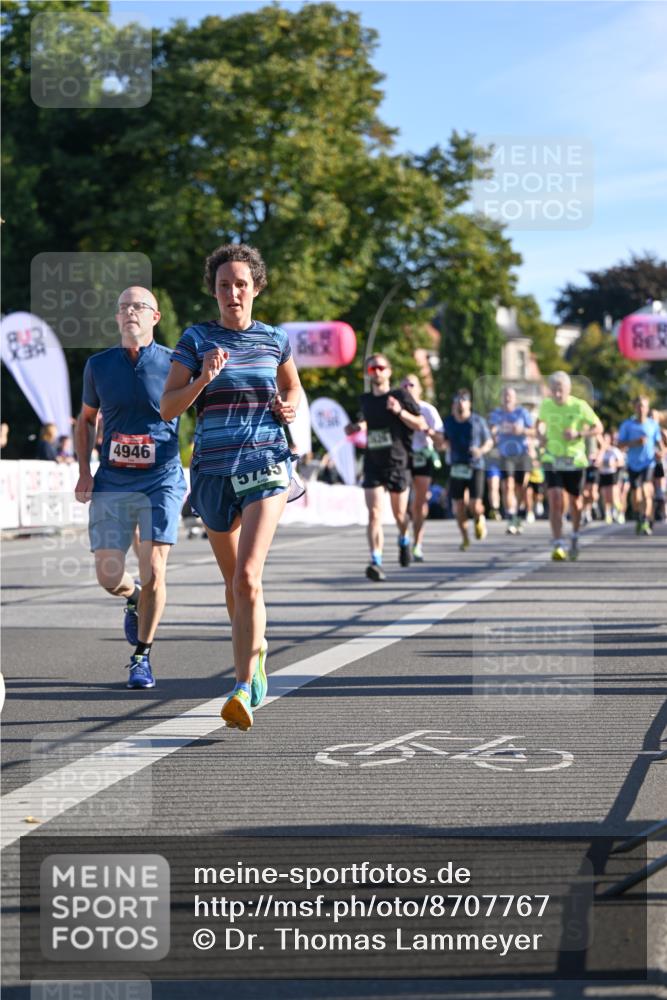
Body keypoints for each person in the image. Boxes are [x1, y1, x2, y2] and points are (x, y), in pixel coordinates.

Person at [161, 243, 302, 732]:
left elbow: (293, 387)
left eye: (241, 283)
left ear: (256, 287)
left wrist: (289, 407)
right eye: (224, 285)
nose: (233, 292)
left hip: (266, 464)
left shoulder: (274, 339)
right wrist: (202, 379)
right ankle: (257, 651)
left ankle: (242, 686)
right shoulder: (196, 338)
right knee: (233, 585)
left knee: (247, 577)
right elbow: (168, 407)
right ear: (215, 290)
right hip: (212, 471)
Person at [74, 287, 186, 689]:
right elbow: (86, 419)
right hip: (113, 480)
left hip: (161, 479)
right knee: (108, 576)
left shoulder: (176, 362)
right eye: (123, 307)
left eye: (138, 306)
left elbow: (203, 408)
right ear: (117, 318)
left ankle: (142, 655)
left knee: (155, 568)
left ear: (155, 317)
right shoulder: (98, 365)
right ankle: (132, 596)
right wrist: (84, 472)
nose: (129, 312)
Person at [344, 354, 425, 581]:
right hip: (373, 463)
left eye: (380, 368)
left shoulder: (400, 395)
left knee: (400, 514)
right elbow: (368, 420)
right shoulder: (366, 399)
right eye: (372, 369)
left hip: (398, 463)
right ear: (368, 374)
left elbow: (421, 424)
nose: (377, 372)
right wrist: (356, 427)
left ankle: (404, 536)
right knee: (374, 514)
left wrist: (400, 411)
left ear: (388, 371)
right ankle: (376, 560)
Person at [536, 371, 603, 561]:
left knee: (576, 502)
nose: (557, 394)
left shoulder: (580, 406)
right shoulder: (546, 405)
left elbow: (598, 427)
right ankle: (558, 543)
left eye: (560, 390)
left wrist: (579, 434)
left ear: (568, 389)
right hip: (552, 457)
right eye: (554, 390)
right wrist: (540, 435)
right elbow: (539, 424)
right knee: (555, 498)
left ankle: (574, 534)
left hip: (575, 460)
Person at [399, 374, 444, 562]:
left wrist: (429, 432)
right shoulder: (395, 408)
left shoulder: (428, 410)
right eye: (405, 385)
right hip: (402, 457)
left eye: (412, 384)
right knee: (402, 506)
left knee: (418, 504)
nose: (408, 388)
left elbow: (441, 442)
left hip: (423, 457)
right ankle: (404, 536)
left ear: (419, 389)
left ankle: (417, 543)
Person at [443, 389, 494, 551]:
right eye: (457, 399)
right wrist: (442, 445)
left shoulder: (477, 421)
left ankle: (479, 518)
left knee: (474, 505)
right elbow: (442, 441)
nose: (460, 402)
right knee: (458, 506)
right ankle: (465, 538)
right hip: (457, 466)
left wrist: (480, 451)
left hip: (475, 466)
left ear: (469, 403)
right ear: (453, 404)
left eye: (463, 399)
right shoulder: (448, 422)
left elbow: (489, 442)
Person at [488, 387, 534, 535]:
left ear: (515, 399)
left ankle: (518, 513)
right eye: (505, 395)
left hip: (522, 453)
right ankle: (511, 517)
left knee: (522, 487)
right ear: (502, 398)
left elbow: (534, 431)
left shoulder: (522, 413)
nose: (508, 398)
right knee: (508, 485)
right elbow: (491, 429)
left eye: (510, 396)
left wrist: (522, 431)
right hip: (506, 454)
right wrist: (495, 431)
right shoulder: (497, 414)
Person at [617, 396, 664, 536]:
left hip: (648, 463)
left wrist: (661, 453)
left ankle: (645, 520)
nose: (641, 409)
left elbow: (661, 445)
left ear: (647, 408)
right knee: (636, 496)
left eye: (643, 406)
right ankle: (638, 515)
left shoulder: (653, 425)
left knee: (646, 491)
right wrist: (635, 442)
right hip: (633, 464)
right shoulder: (627, 425)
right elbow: (620, 445)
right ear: (634, 408)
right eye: (638, 406)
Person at [594, 431, 625, 524]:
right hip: (603, 474)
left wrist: (613, 464)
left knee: (613, 496)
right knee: (605, 497)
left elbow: (621, 462)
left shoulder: (614, 450)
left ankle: (620, 513)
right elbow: (596, 463)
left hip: (612, 474)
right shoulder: (600, 452)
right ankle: (608, 515)